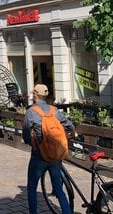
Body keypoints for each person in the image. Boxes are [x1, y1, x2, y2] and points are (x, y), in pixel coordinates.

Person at [22, 84, 74, 214]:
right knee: (58, 189)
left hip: (39, 155)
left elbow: (26, 133)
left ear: (35, 96)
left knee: (32, 187)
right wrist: (71, 134)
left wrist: (30, 142)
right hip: (55, 155)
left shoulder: (31, 112)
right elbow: (69, 125)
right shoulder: (54, 110)